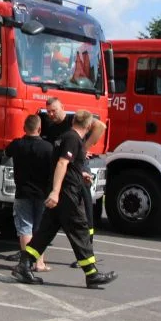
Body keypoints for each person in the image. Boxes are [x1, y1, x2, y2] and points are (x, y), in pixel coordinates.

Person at [13, 110, 117, 288]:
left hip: (63, 191)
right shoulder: (72, 139)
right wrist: (55, 192)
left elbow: (65, 166)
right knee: (80, 230)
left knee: (45, 232)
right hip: (67, 194)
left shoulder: (66, 137)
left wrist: (81, 174)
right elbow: (62, 164)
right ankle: (92, 274)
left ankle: (24, 264)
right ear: (89, 125)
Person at [40, 97, 106, 267]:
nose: (51, 114)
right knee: (54, 222)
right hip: (67, 178)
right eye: (48, 112)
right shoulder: (52, 127)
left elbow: (100, 126)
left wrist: (84, 148)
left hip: (79, 173)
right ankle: (28, 259)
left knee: (85, 216)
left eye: (54, 110)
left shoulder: (73, 121)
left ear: (63, 107)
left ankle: (87, 254)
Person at [5, 115, 54, 272]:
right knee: (39, 230)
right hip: (42, 194)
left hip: (22, 192)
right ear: (39, 129)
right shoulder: (48, 148)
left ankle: (26, 263)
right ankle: (40, 263)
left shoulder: (17, 145)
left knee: (25, 228)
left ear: (24, 128)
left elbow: (5, 153)